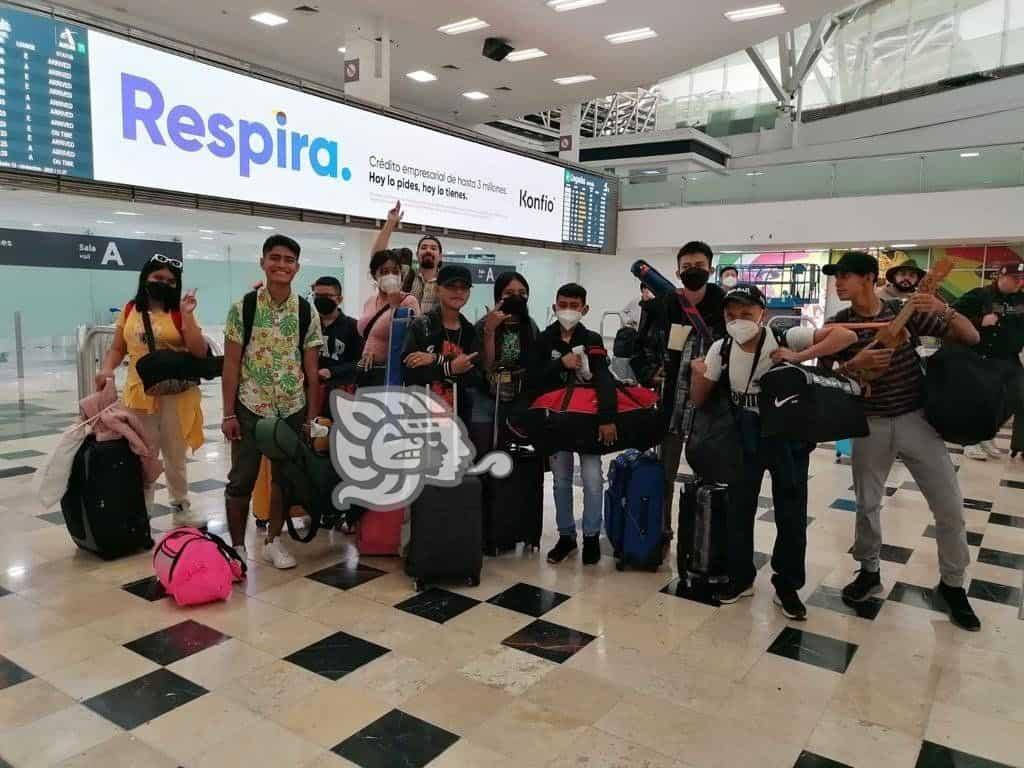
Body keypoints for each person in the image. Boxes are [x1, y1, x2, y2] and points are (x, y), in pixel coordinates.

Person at [823, 251, 982, 631]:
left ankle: (953, 585)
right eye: (835, 277)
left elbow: (971, 336)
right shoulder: (837, 324)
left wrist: (942, 308)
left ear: (867, 278)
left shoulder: (905, 309)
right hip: (869, 424)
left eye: (845, 276)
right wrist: (852, 366)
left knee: (950, 507)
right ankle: (869, 570)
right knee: (867, 504)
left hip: (917, 420)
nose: (838, 283)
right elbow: (823, 375)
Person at [689, 284, 859, 619]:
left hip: (787, 435)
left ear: (762, 314)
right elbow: (699, 398)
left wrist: (798, 356)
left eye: (747, 313)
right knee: (739, 509)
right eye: (731, 314)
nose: (739, 320)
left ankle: (788, 584)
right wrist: (698, 374)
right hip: (742, 437)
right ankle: (740, 577)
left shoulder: (784, 336)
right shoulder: (720, 349)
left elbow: (846, 336)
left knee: (791, 511)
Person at [222, 235, 324, 569]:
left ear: (297, 266)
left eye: (289, 259)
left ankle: (273, 541)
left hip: (291, 408)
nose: (282, 265)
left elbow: (311, 370)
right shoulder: (244, 307)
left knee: (284, 479)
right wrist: (227, 414)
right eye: (275, 258)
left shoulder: (307, 311)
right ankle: (237, 547)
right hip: (251, 406)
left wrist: (310, 418)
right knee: (242, 479)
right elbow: (231, 364)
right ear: (263, 262)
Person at [97, 255, 207, 528]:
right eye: (158, 279)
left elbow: (199, 351)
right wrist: (107, 369)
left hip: (176, 393)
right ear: (145, 278)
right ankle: (140, 509)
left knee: (175, 452)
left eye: (171, 281)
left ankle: (181, 506)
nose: (164, 284)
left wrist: (189, 317)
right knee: (142, 451)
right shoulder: (130, 309)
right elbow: (118, 348)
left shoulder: (180, 311)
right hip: (139, 393)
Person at [632, 241, 726, 553]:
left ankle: (702, 538)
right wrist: (649, 372)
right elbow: (638, 346)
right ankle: (661, 533)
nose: (693, 271)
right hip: (670, 403)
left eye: (699, 266)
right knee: (664, 475)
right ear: (677, 271)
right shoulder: (662, 305)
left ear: (710, 269)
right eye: (687, 267)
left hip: (709, 403)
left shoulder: (725, 306)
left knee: (708, 474)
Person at [533, 283, 618, 567]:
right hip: (556, 422)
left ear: (585, 309)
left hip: (588, 421)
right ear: (555, 307)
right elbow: (535, 379)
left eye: (574, 305)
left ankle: (592, 536)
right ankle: (567, 536)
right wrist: (562, 364)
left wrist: (607, 417)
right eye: (563, 304)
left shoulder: (592, 338)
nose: (568, 310)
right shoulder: (544, 339)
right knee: (560, 482)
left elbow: (605, 378)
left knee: (594, 481)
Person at [954, 262, 1024, 460]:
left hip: (1009, 358)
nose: (1020, 282)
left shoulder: (1021, 299)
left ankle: (989, 435)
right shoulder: (980, 295)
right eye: (1015, 278)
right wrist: (979, 322)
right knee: (978, 400)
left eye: (1021, 279)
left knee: (1016, 399)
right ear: (1001, 277)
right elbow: (951, 314)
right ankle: (970, 441)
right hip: (981, 357)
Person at [472, 271, 541, 458]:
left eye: (522, 292)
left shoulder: (530, 326)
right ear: (498, 296)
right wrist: (490, 331)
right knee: (483, 449)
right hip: (486, 394)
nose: (516, 297)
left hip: (518, 398)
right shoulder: (482, 325)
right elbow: (486, 366)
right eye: (509, 293)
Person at [402, 264, 481, 422]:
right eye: (451, 286)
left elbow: (475, 375)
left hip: (459, 418)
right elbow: (410, 371)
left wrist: (434, 360)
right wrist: (451, 367)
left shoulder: (469, 331)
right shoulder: (422, 326)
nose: (458, 292)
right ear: (438, 290)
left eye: (464, 287)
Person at [357, 249, 420, 387]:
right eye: (384, 272)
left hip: (390, 375)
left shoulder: (408, 301)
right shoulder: (369, 301)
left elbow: (408, 340)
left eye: (395, 271)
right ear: (375, 275)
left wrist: (394, 302)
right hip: (366, 371)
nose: (390, 276)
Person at [370, 200, 443, 314]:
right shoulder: (406, 274)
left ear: (440, 256)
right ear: (417, 254)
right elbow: (377, 260)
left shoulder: (446, 282)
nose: (428, 250)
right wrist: (390, 223)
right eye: (424, 247)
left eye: (433, 248)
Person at [313, 276, 363, 406]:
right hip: (311, 391)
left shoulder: (353, 326)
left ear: (339, 299)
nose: (322, 300)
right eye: (317, 295)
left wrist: (332, 371)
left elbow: (360, 362)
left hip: (342, 394)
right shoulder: (307, 325)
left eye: (327, 296)